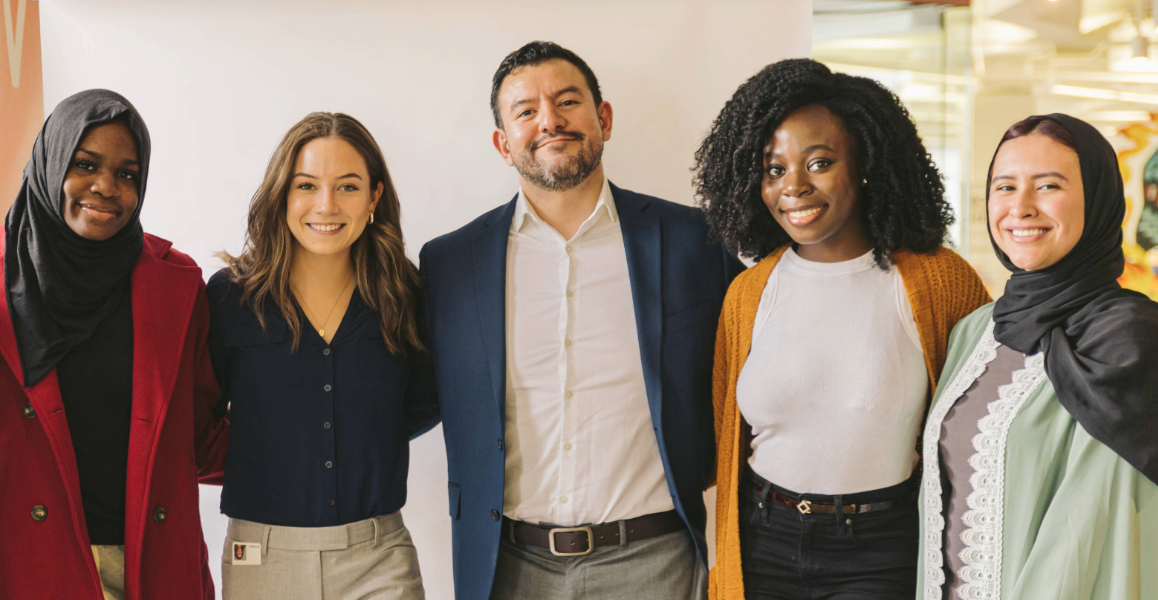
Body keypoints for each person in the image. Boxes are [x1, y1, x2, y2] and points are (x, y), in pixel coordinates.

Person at [419, 41, 743, 600]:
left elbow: (758, 371)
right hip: (508, 568)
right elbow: (409, 395)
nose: (549, 121)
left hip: (655, 561)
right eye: (525, 111)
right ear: (503, 143)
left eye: (567, 101)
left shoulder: (694, 241)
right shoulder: (450, 264)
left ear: (604, 119)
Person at [693, 58, 990, 599]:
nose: (794, 187)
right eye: (774, 169)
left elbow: (980, 430)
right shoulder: (748, 293)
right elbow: (724, 436)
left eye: (820, 162)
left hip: (880, 547)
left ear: (865, 165)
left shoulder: (939, 281)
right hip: (763, 540)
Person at [0, 89, 229, 600]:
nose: (105, 188)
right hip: (28, 568)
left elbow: (200, 438)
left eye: (127, 174)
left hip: (154, 567)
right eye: (85, 164)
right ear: (51, 161)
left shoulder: (179, 284)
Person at [917, 114, 1158, 600]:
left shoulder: (1128, 341)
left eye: (1048, 185)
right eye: (1004, 187)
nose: (1020, 208)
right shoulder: (975, 331)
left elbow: (1088, 531)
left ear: (1099, 198)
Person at [207, 111, 436, 599]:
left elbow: (420, 403)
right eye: (306, 185)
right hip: (261, 558)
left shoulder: (406, 295)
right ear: (282, 195)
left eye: (348, 187)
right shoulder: (232, 298)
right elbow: (198, 412)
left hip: (379, 558)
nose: (326, 205)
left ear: (374, 197)